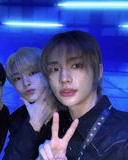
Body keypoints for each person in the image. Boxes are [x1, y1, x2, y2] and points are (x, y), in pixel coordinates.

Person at [39, 30, 128, 159]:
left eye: (76, 65)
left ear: (98, 72)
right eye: (54, 69)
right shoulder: (55, 130)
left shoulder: (124, 134)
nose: (64, 78)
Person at [3, 47, 69, 160]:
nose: (25, 82)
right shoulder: (17, 119)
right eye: (17, 78)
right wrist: (33, 125)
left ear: (47, 72)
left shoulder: (71, 109)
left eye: (32, 73)